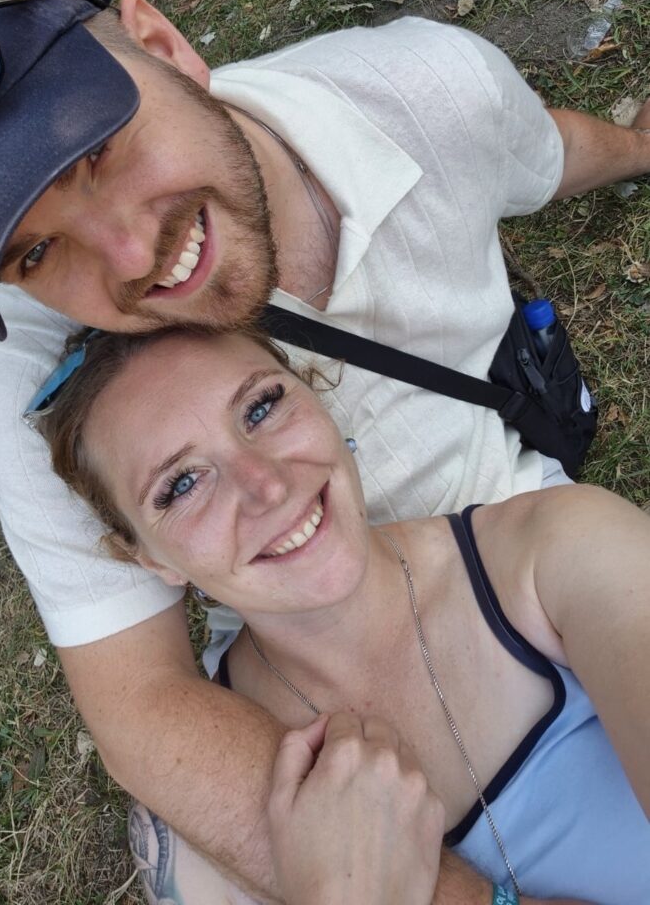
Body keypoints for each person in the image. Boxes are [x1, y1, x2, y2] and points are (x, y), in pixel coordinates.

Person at [0, 0, 649, 900]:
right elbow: (143, 704)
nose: (128, 256)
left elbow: (541, 149)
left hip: (515, 583)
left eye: (100, 148)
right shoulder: (24, 378)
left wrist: (635, 147)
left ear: (163, 44)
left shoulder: (420, 90)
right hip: (299, 671)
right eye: (37, 250)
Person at [37, 324, 649, 905]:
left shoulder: (559, 553)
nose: (267, 486)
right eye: (182, 483)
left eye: (260, 408)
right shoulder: (199, 834)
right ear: (147, 559)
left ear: (319, 395)